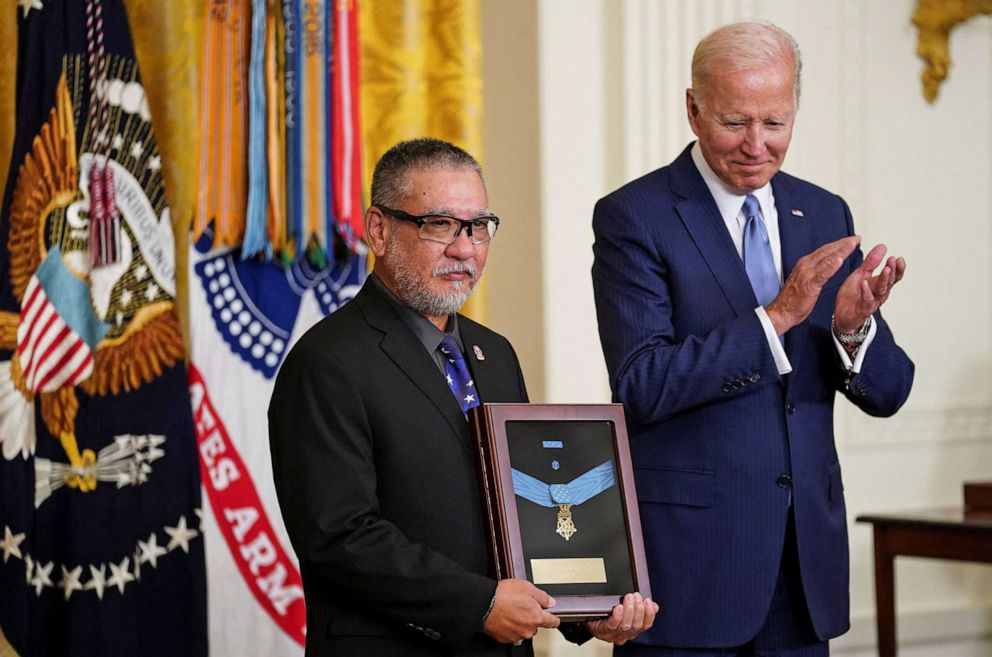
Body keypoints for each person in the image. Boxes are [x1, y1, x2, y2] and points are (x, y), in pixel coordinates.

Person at [591, 22, 914, 657]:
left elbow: (891, 392)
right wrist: (777, 318)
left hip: (804, 570)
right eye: (735, 122)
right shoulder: (636, 215)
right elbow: (642, 384)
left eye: (776, 123)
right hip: (693, 571)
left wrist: (854, 329)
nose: (756, 146)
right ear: (693, 109)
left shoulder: (824, 213)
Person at [270, 137, 658, 657]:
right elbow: (338, 538)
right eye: (439, 225)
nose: (464, 248)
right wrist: (477, 602)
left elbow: (524, 511)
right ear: (379, 230)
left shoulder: (493, 353)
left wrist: (588, 611)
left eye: (477, 226)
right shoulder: (326, 362)